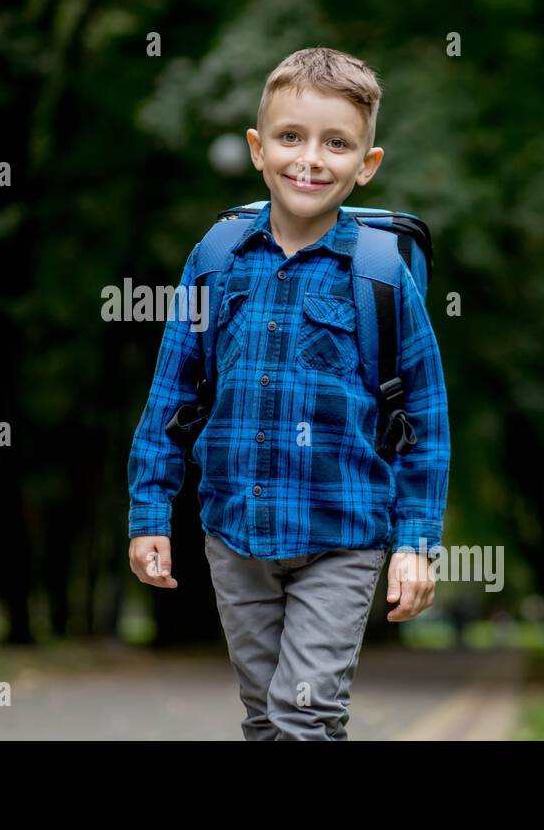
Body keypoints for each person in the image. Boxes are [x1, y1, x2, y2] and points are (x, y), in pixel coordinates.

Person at [126, 46, 451, 740]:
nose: (311, 159)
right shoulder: (217, 259)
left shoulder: (381, 277)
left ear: (366, 165)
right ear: (258, 148)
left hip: (342, 537)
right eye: (291, 137)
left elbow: (422, 420)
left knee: (305, 715)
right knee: (266, 721)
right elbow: (171, 391)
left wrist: (415, 542)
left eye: (337, 143)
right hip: (234, 533)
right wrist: (150, 511)